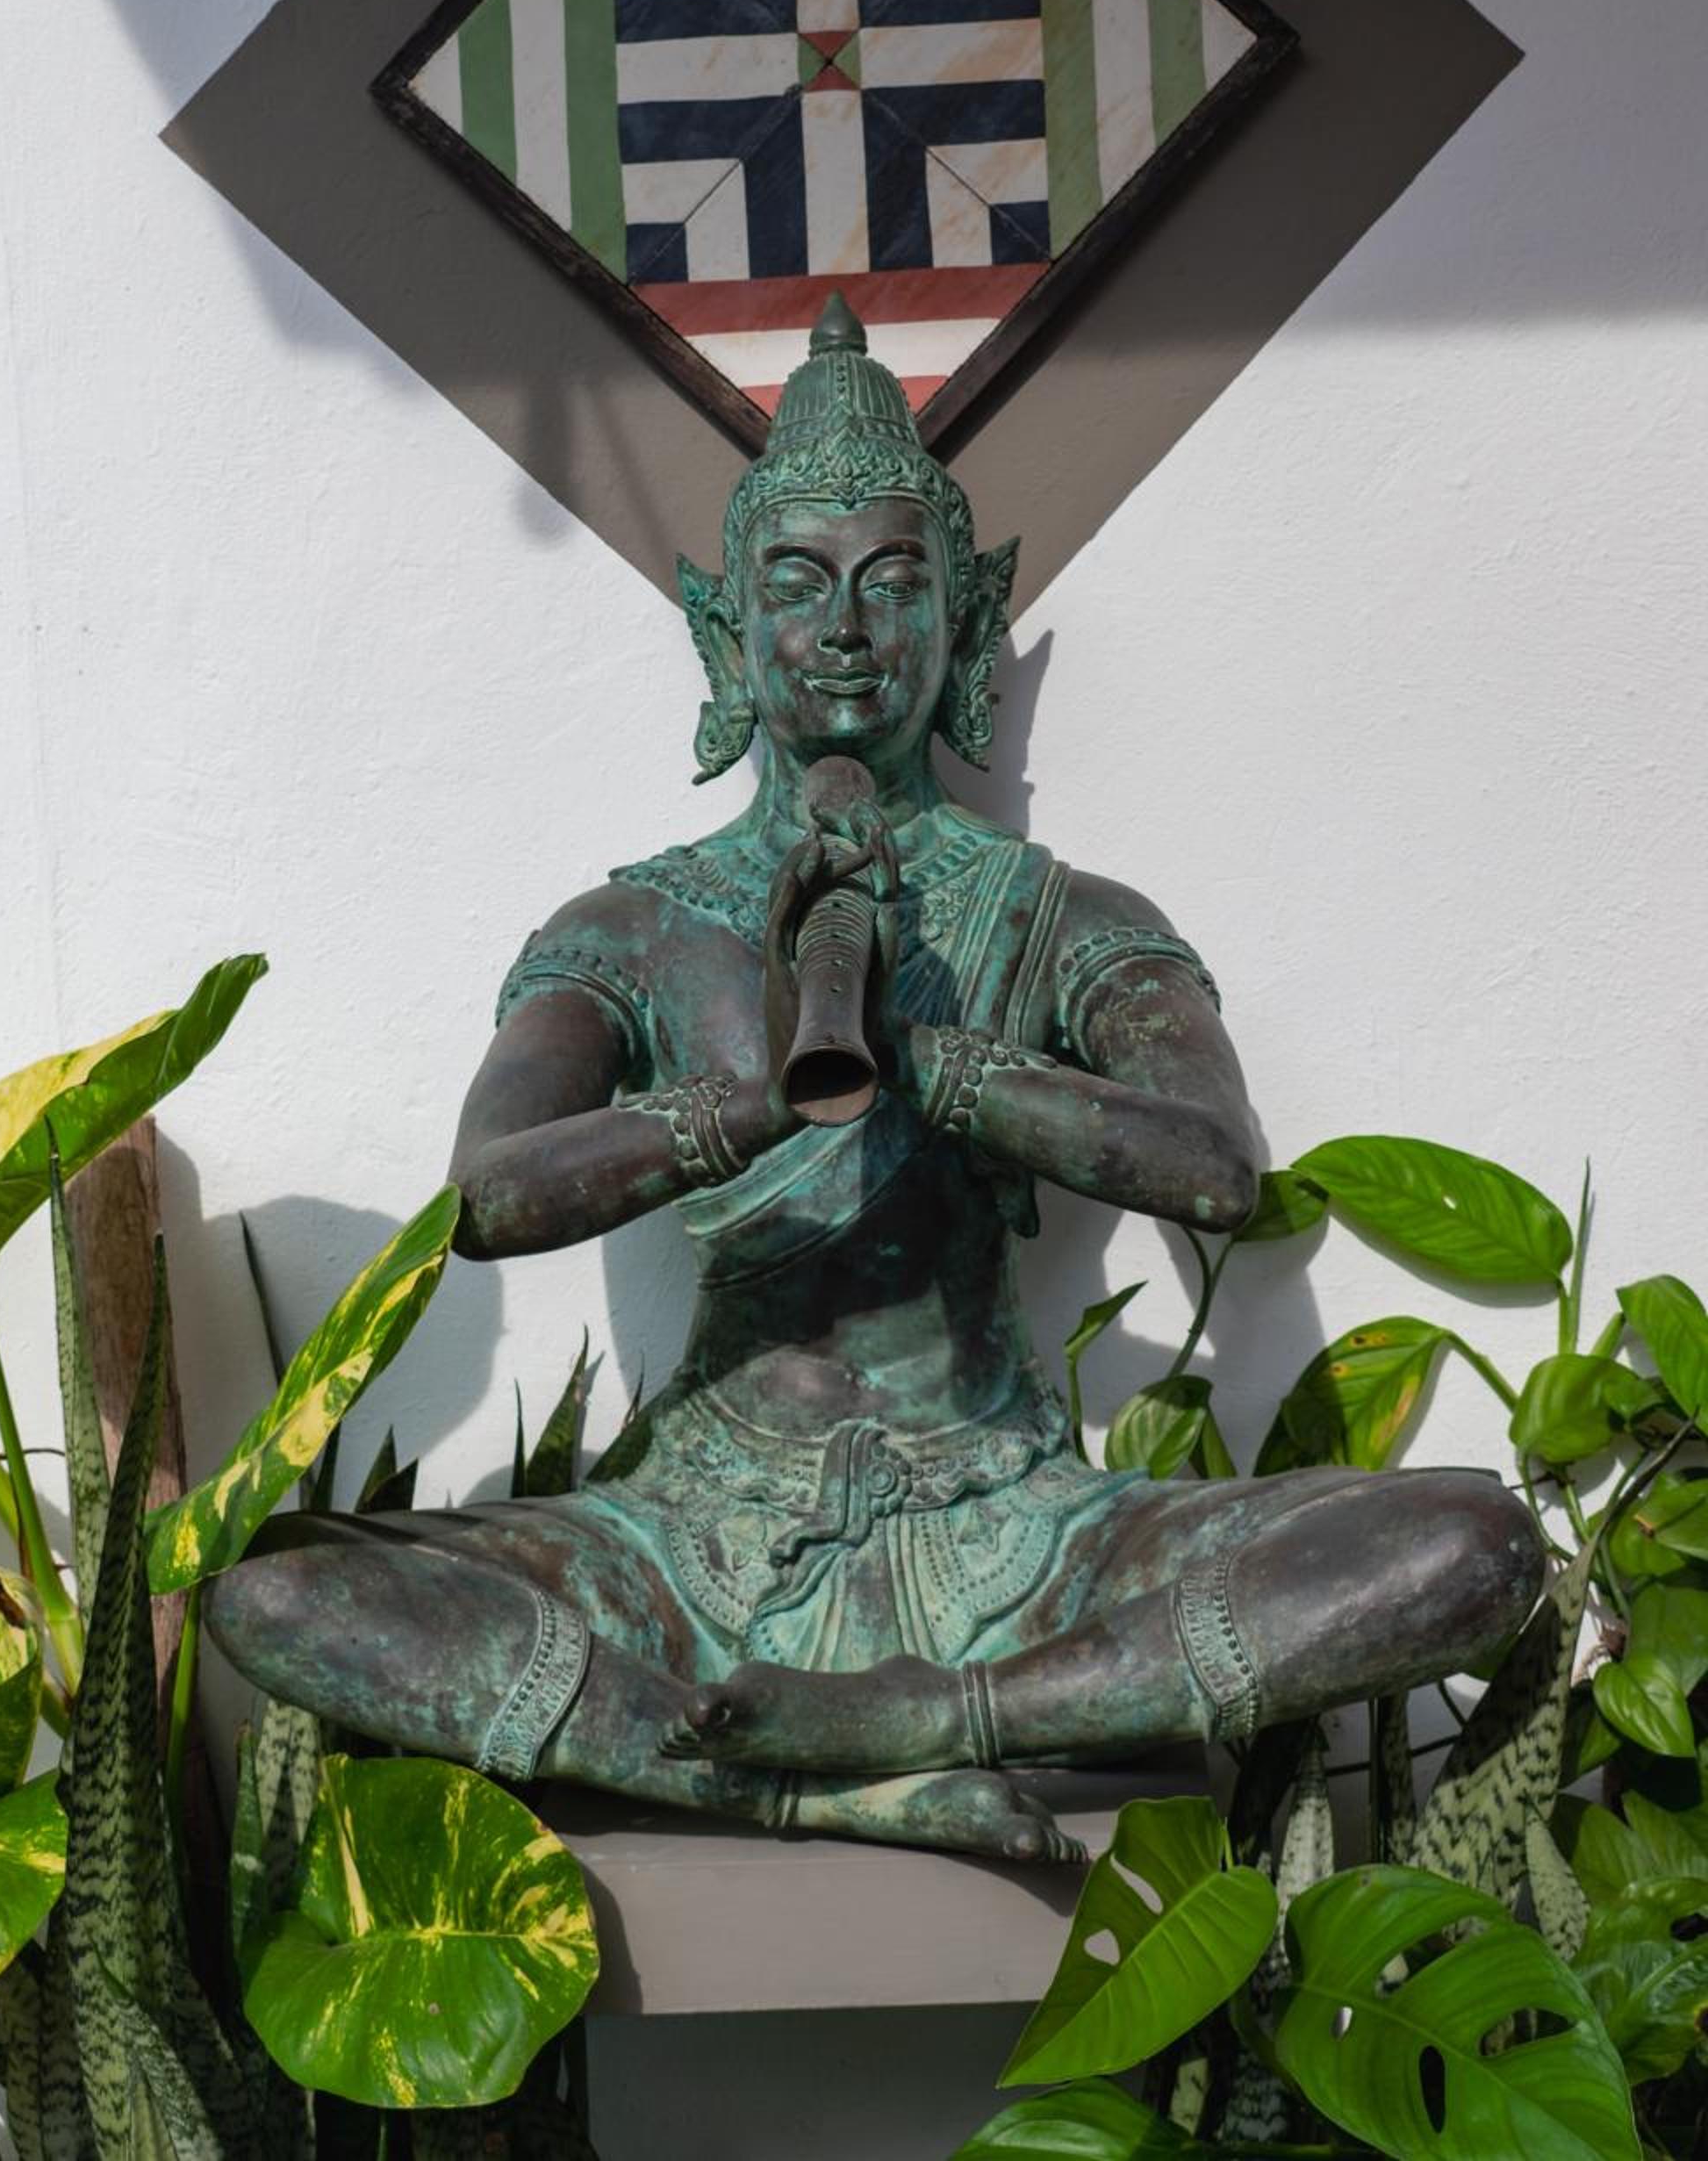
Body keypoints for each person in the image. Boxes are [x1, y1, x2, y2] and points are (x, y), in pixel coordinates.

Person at [209, 297, 1543, 1863]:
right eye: (798, 584)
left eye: (895, 582)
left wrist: (928, 1060)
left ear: (962, 624)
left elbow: (1214, 1169)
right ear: (726, 633)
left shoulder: (1061, 916)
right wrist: (757, 1097)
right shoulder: (630, 928)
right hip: (692, 1539)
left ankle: (935, 1720)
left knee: (1474, 1542)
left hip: (1019, 1527)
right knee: (276, 1588)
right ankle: (763, 1770)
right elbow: (490, 1198)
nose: (846, 626)